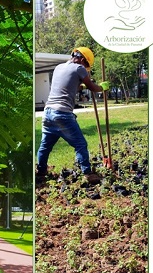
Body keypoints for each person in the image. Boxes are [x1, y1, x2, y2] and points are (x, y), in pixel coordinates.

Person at [36, 47, 110, 183]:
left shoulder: (58, 68)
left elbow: (70, 86)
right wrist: (102, 87)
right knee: (80, 144)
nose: (85, 68)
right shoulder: (78, 68)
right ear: (82, 60)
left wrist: (82, 86)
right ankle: (88, 174)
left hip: (47, 113)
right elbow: (93, 87)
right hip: (63, 114)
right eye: (86, 65)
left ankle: (41, 171)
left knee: (44, 146)